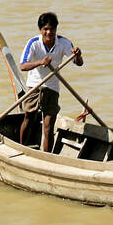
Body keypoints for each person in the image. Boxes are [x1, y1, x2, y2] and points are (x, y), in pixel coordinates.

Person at [19, 12, 83, 153]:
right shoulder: (33, 43)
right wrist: (40, 62)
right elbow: (23, 66)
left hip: (52, 88)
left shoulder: (64, 43)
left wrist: (78, 55)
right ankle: (21, 149)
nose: (49, 32)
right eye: (45, 29)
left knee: (48, 126)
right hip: (34, 86)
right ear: (40, 30)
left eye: (52, 29)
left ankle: (47, 157)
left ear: (56, 29)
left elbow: (78, 63)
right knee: (29, 118)